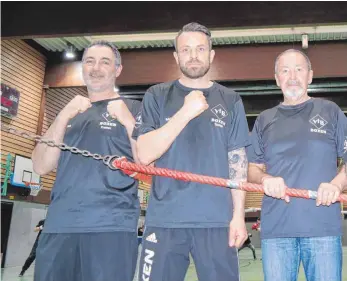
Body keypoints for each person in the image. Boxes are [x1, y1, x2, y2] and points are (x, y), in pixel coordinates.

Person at [133, 22, 250, 281]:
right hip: (165, 220)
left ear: (211, 54)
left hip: (217, 222)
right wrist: (185, 112)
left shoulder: (231, 100)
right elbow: (144, 154)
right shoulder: (157, 95)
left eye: (200, 49)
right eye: (185, 50)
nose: (193, 55)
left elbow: (238, 164)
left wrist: (238, 216)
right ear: (176, 56)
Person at [32, 41, 141, 281]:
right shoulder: (69, 112)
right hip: (60, 225)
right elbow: (41, 165)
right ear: (83, 67)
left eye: (105, 62)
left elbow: (147, 163)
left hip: (111, 227)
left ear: (117, 70)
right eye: (89, 61)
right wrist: (62, 116)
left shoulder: (133, 108)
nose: (96, 67)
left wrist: (128, 121)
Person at [247, 49, 347, 281]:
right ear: (276, 78)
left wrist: (336, 184)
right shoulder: (264, 119)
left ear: (310, 76)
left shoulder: (330, 112)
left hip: (322, 229)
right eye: (285, 70)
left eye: (299, 69)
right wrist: (265, 179)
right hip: (277, 232)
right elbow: (252, 169)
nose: (292, 76)